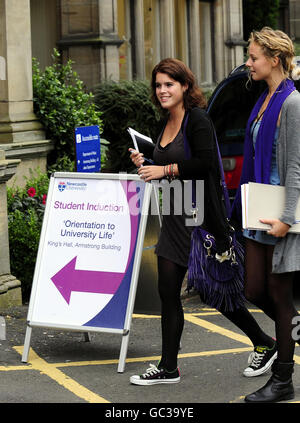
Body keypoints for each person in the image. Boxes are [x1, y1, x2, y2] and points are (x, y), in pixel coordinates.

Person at [129, 58, 276, 386]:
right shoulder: (166, 122)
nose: (163, 90)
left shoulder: (197, 120)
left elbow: (205, 163)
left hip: (200, 221)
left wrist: (163, 170)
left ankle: (265, 342)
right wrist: (148, 160)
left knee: (216, 293)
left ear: (184, 86)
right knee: (168, 290)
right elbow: (170, 163)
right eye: (158, 85)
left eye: (169, 84)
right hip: (174, 218)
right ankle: (168, 367)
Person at [231, 27, 300, 403]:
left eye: (254, 57)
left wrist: (287, 220)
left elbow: (295, 169)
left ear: (275, 59)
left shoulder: (292, 103)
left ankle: (283, 381)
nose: (248, 63)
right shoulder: (263, 99)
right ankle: (290, 331)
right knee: (253, 288)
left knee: (278, 292)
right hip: (259, 212)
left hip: (280, 218)